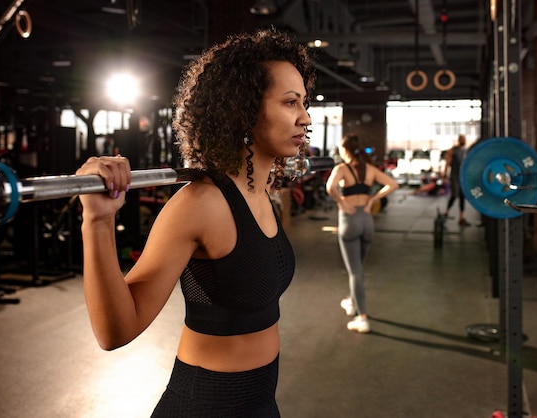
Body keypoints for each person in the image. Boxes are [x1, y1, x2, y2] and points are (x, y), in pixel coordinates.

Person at [75, 29, 315, 417]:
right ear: (244, 110)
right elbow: (116, 331)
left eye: (304, 103)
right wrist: (98, 221)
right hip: (206, 405)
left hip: (261, 402)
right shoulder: (201, 203)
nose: (305, 117)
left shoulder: (263, 194)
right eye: (290, 102)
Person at [325, 134, 399, 333]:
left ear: (345, 150)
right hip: (366, 221)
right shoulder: (370, 170)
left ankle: (362, 318)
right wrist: (372, 199)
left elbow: (330, 187)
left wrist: (341, 202)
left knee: (355, 272)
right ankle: (351, 301)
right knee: (358, 269)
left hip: (350, 219)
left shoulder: (341, 169)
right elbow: (393, 184)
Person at [443, 134, 470, 226]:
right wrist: (444, 175)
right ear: (459, 140)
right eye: (462, 139)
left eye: (464, 139)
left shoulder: (466, 151)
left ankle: (461, 218)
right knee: (454, 195)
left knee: (462, 196)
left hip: (463, 177)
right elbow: (447, 163)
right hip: (454, 176)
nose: (464, 140)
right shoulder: (453, 150)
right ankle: (446, 212)